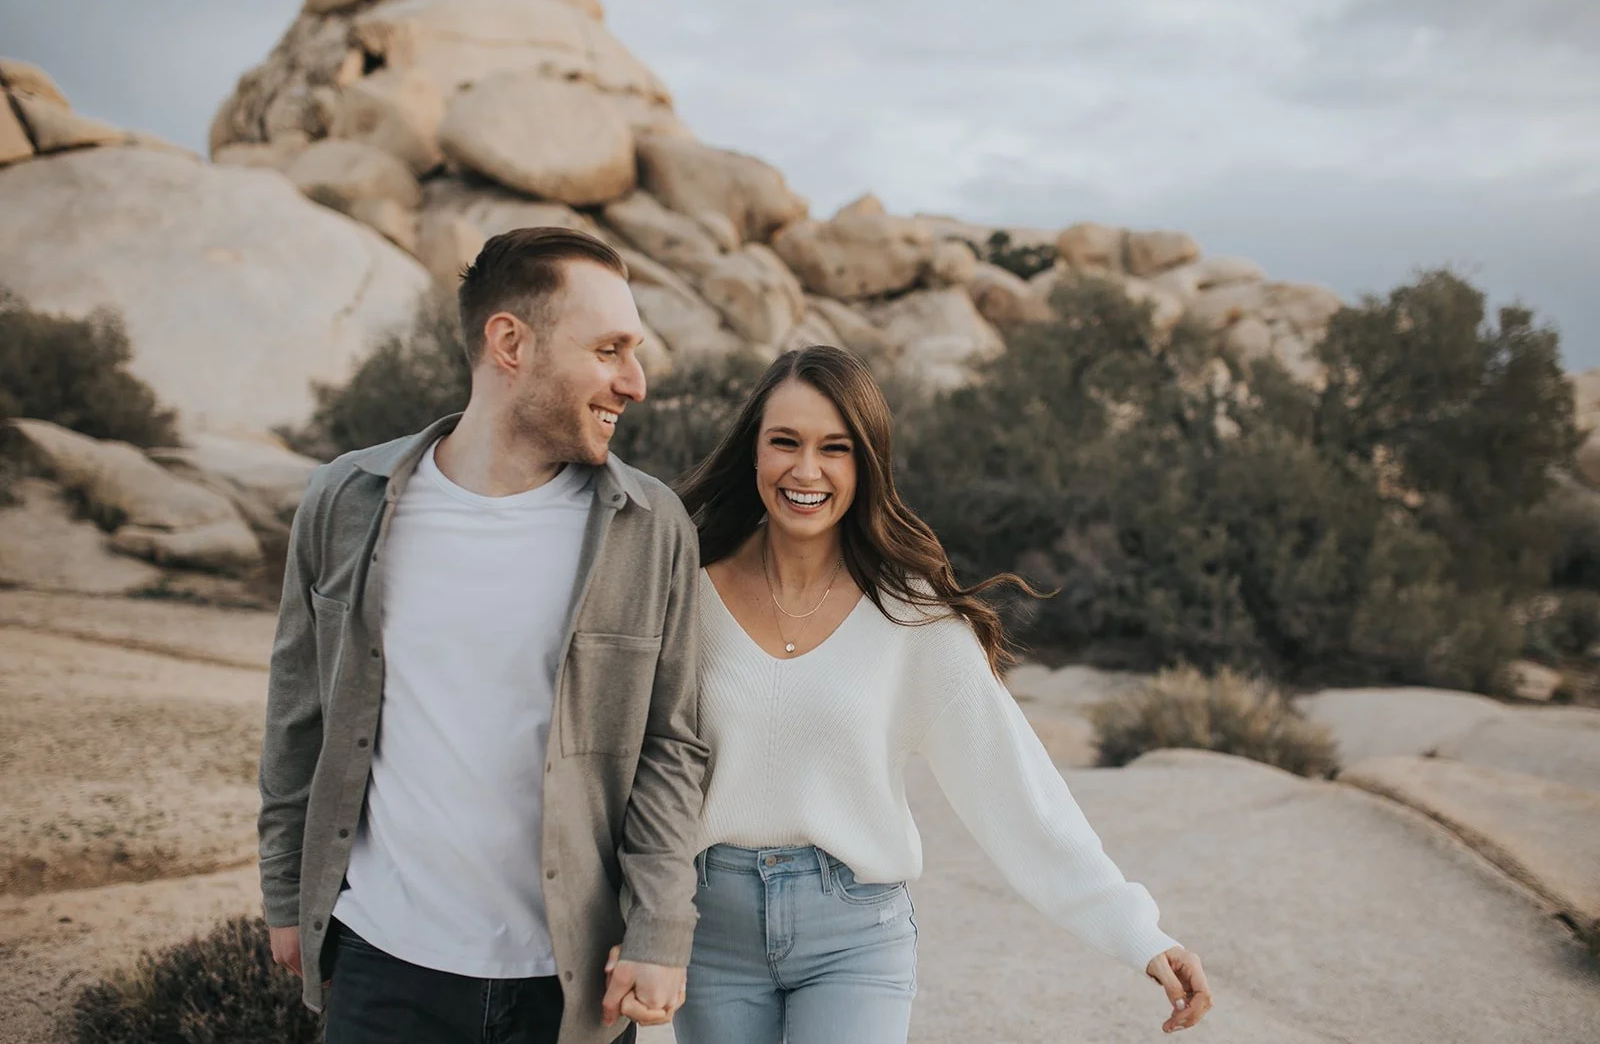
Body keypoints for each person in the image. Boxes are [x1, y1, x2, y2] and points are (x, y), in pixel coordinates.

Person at [613, 345, 1213, 1042]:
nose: (807, 470)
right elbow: (630, 760)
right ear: (754, 452)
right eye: (786, 442)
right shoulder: (685, 584)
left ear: (866, 464)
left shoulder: (912, 617)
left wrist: (1140, 933)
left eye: (835, 448)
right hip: (708, 930)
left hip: (853, 937)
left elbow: (1018, 793)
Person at [258, 227, 705, 1044]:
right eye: (609, 349)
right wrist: (286, 890)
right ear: (510, 342)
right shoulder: (345, 500)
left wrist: (659, 928)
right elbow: (297, 715)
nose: (634, 383)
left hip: (568, 985)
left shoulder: (649, 527)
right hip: (383, 960)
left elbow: (672, 747)